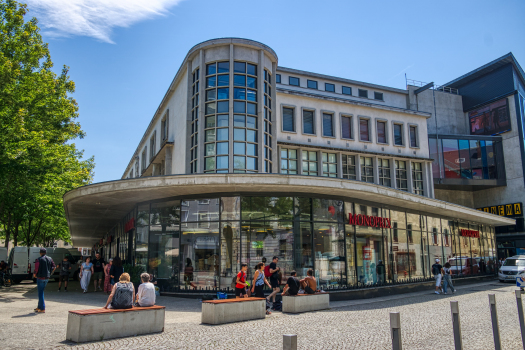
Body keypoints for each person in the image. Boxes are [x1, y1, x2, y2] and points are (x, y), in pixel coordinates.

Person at [33, 248, 56, 313]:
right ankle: (39, 307)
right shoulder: (50, 258)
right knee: (41, 292)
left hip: (40, 277)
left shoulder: (39, 259)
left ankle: (42, 308)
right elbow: (54, 267)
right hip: (47, 277)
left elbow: (36, 268)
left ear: (40, 253)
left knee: (40, 292)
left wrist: (34, 274)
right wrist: (50, 273)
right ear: (45, 252)